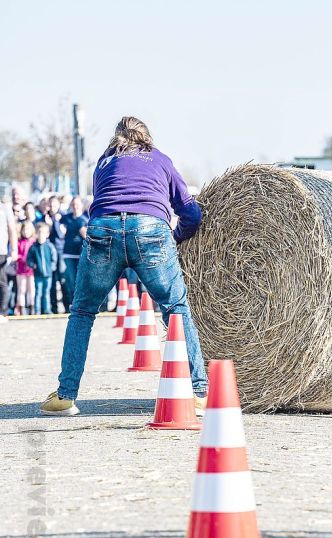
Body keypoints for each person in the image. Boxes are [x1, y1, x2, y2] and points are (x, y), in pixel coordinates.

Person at [41, 116, 207, 416]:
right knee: (176, 308)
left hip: (103, 230)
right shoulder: (161, 160)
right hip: (150, 229)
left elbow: (103, 200)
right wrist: (175, 236)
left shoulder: (104, 163)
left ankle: (65, 396)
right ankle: (198, 391)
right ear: (147, 137)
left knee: (82, 312)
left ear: (117, 138)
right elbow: (191, 213)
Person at [60, 197, 88, 309]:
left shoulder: (85, 219)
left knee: (80, 279)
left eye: (77, 204)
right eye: (73, 205)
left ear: (81, 206)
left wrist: (84, 234)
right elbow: (59, 226)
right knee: (70, 279)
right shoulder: (66, 218)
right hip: (68, 252)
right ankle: (73, 303)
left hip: (81, 253)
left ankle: (81, 303)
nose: (75, 207)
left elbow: (89, 237)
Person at [26, 223, 57, 315]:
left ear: (47, 234)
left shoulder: (50, 246)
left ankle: (47, 310)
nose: (41, 235)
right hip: (38, 274)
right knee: (38, 293)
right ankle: (37, 310)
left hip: (48, 275)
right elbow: (28, 260)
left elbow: (54, 258)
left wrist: (52, 267)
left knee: (46, 293)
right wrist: (33, 265)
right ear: (36, 233)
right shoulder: (33, 247)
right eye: (39, 232)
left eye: (43, 232)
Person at [15, 222, 36, 316]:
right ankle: (22, 309)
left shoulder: (33, 242)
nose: (26, 232)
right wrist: (23, 259)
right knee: (21, 289)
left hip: (31, 270)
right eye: (24, 230)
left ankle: (32, 308)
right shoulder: (19, 242)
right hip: (21, 269)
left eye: (28, 230)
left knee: (31, 289)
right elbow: (17, 254)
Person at [0, 197, 15, 322]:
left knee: (2, 282)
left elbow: (12, 230)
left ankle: (2, 312)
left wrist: (13, 249)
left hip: (1, 251)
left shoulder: (5, 208)